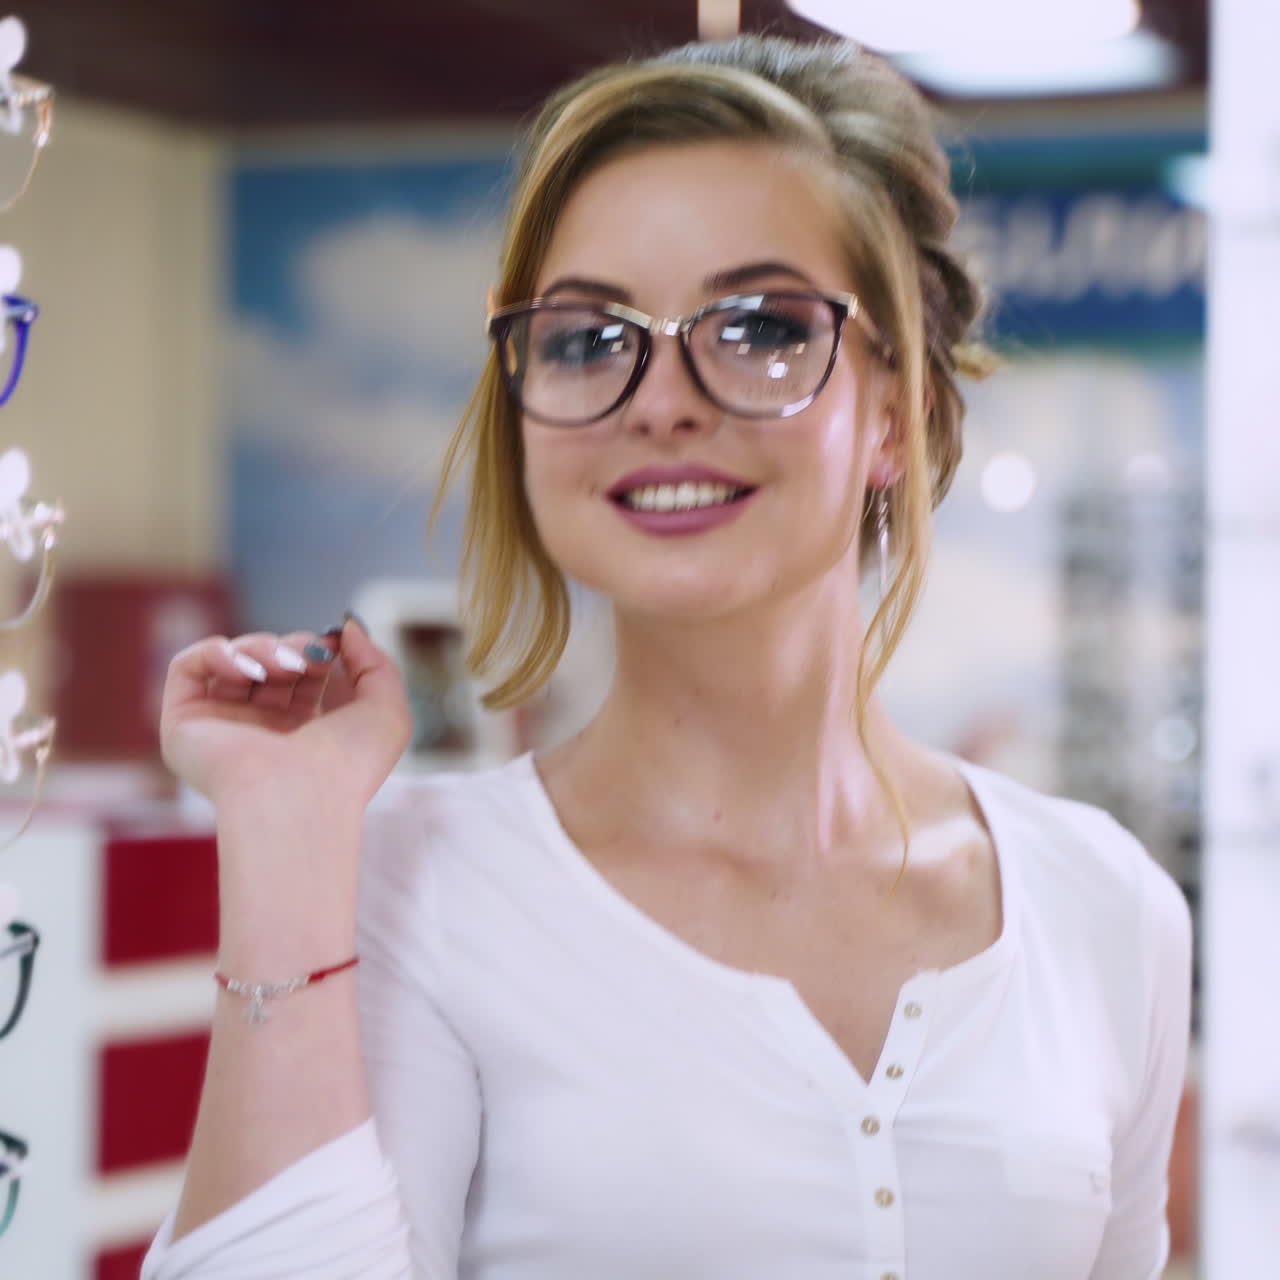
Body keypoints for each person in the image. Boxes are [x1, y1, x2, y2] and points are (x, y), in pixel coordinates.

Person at [142, 32, 1192, 1280]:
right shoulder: (415, 885)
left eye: (756, 326)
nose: (659, 398)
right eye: (588, 338)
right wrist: (283, 832)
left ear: (897, 406)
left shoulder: (1098, 903)